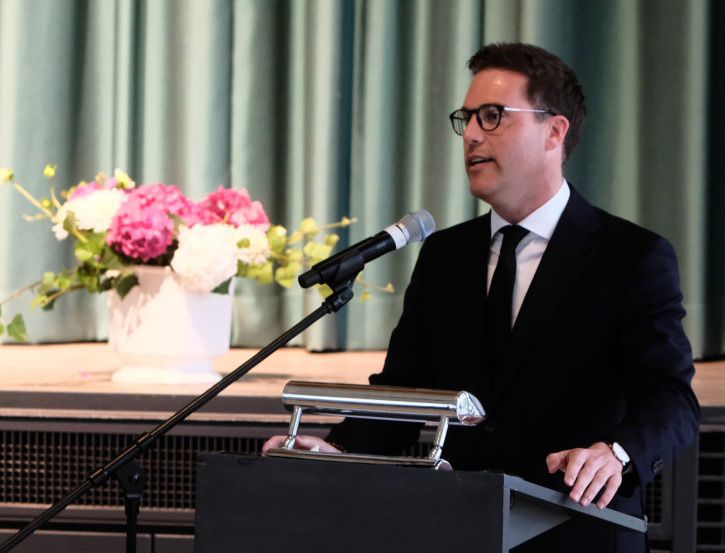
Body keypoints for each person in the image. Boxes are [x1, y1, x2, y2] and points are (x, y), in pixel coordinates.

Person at [262, 43, 700, 552]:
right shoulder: (445, 255)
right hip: (460, 529)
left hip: (580, 530)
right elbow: (404, 394)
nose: (471, 134)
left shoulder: (630, 256)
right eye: (467, 118)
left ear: (554, 131)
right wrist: (337, 450)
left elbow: (672, 398)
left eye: (492, 116)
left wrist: (616, 453)